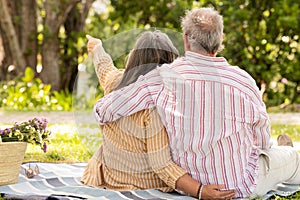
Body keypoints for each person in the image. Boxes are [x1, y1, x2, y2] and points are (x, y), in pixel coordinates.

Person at [93, 8, 300, 199]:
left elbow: (104, 109)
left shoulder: (162, 78)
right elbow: (262, 136)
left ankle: (282, 152)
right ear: (221, 39)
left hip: (187, 183)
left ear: (185, 39)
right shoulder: (243, 81)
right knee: (290, 159)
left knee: (275, 155)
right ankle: (285, 153)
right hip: (239, 185)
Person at [81, 30, 235, 199]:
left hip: (108, 176)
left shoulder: (116, 82)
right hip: (144, 184)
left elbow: (105, 69)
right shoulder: (157, 107)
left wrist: (97, 48)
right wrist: (200, 190)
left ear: (134, 59)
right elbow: (161, 164)